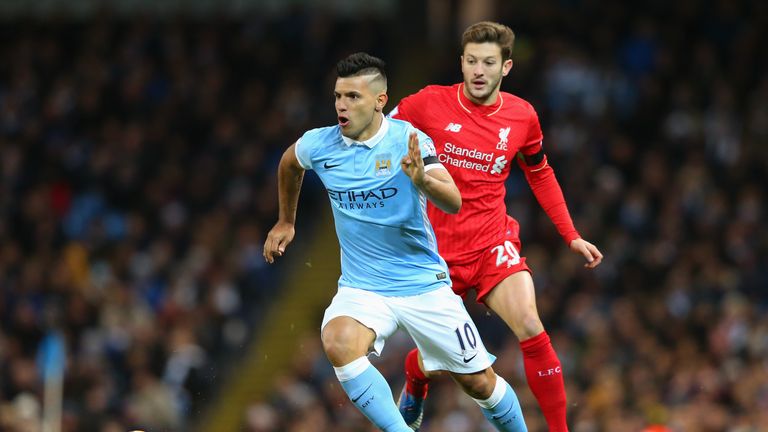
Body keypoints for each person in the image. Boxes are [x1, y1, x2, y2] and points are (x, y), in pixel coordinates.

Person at [263, 52, 528, 431]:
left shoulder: (410, 140)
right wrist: (285, 222)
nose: (341, 104)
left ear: (379, 101)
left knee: (479, 383)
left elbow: (452, 201)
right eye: (338, 96)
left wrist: (422, 181)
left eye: (353, 97)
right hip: (363, 286)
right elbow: (290, 163)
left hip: (423, 284)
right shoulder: (319, 144)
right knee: (338, 341)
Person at [389, 22, 603, 431]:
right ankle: (416, 377)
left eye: (488, 62)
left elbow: (540, 172)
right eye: (471, 61)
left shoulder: (523, 116)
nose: (478, 71)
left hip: (491, 240)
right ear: (462, 63)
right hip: (434, 251)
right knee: (446, 364)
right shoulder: (428, 103)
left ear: (506, 67)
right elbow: (378, 132)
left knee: (530, 323)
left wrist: (571, 235)